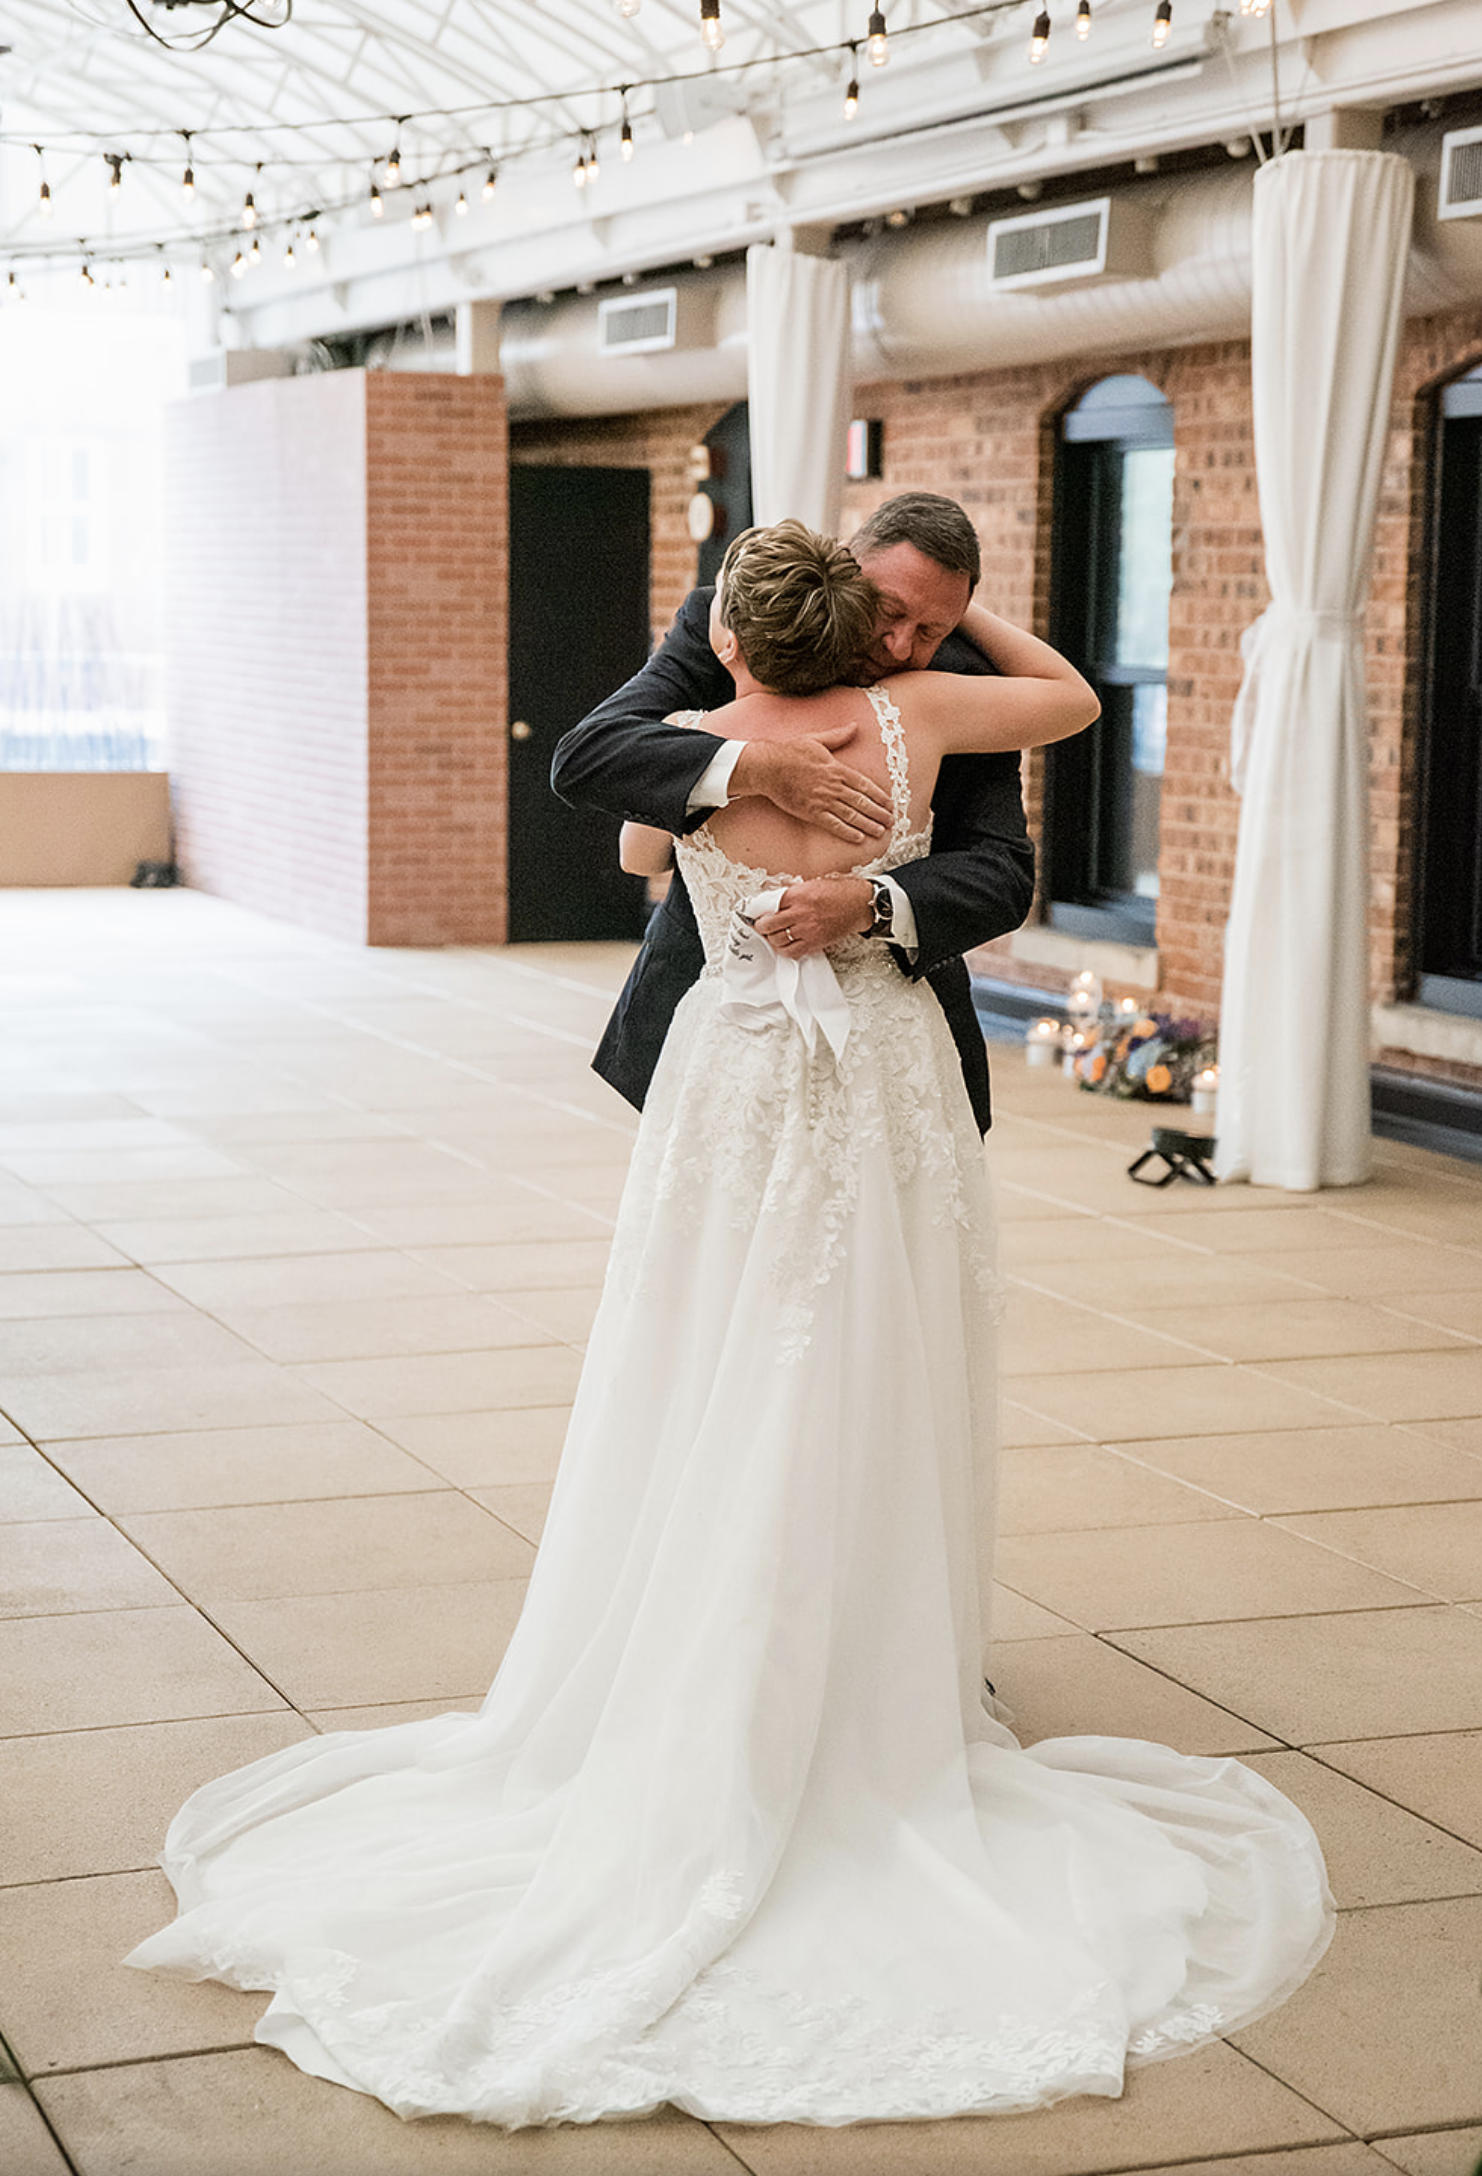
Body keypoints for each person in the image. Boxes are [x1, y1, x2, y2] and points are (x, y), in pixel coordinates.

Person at [126, 523, 1332, 2131]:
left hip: (795, 1059)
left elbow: (880, 861)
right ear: (851, 614)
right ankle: (797, 1656)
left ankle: (837, 1643)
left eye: (933, 623)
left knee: (810, 1350)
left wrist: (827, 860)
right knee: (775, 1353)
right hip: (819, 1079)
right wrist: (762, 781)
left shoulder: (736, 721)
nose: (913, 640)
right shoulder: (893, 712)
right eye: (898, 617)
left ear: (741, 627)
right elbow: (617, 765)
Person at [550, 492, 1033, 1138]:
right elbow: (591, 753)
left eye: (930, 629)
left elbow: (1001, 871)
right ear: (847, 567)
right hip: (720, 1021)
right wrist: (756, 769)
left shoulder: (958, 684)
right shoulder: (736, 626)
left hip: (896, 1040)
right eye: (889, 612)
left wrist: (872, 902)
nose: (898, 646)